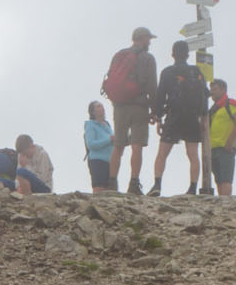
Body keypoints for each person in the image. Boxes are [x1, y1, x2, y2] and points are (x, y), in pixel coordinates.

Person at [100, 27, 158, 195]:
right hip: (139, 106)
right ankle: (133, 183)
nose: (149, 42)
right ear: (142, 38)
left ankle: (112, 182)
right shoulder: (148, 58)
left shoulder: (119, 55)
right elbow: (152, 86)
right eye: (149, 39)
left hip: (119, 106)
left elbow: (111, 79)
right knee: (137, 145)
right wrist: (154, 110)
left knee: (118, 145)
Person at [148, 40, 208, 196]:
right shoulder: (196, 71)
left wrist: (159, 118)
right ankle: (193, 188)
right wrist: (203, 118)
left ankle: (157, 185)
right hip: (192, 118)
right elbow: (204, 95)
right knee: (193, 154)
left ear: (173, 54)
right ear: (187, 54)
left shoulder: (167, 72)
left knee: (162, 153)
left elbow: (161, 97)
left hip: (174, 116)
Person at [206, 78, 236, 197]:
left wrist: (230, 141)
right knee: (218, 178)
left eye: (215, 89)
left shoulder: (230, 104)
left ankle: (225, 202)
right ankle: (221, 200)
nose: (212, 92)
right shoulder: (214, 110)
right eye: (211, 89)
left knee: (225, 178)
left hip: (225, 147)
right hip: (213, 148)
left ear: (223, 90)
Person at [83, 102, 114, 193]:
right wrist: (109, 140)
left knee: (110, 190)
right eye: (98, 106)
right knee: (99, 188)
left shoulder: (107, 125)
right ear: (93, 112)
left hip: (110, 161)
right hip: (97, 160)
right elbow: (91, 144)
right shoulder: (90, 125)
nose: (102, 108)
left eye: (102, 105)